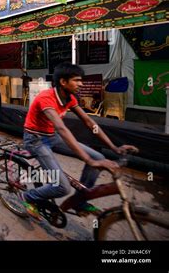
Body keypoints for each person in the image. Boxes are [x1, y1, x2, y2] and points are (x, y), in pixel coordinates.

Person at [20, 62, 138, 220]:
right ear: (63, 82)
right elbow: (62, 128)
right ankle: (28, 196)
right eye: (76, 80)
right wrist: (88, 160)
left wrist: (114, 147)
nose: (80, 84)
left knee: (99, 158)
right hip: (36, 140)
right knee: (62, 187)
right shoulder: (46, 98)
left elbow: (89, 122)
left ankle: (79, 201)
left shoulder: (69, 98)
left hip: (51, 136)